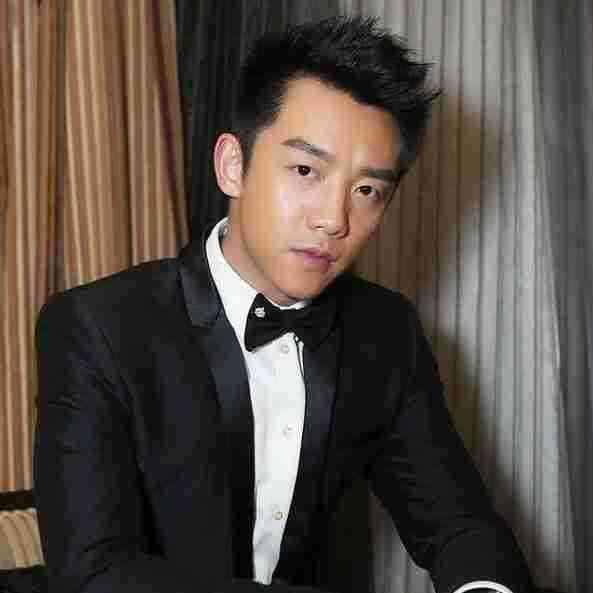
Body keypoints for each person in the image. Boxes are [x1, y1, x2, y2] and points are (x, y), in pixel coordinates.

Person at [34, 15, 534, 593]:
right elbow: (93, 571)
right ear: (233, 166)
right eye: (305, 170)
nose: (334, 219)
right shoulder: (98, 327)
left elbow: (460, 528)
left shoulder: (384, 331)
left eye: (367, 190)